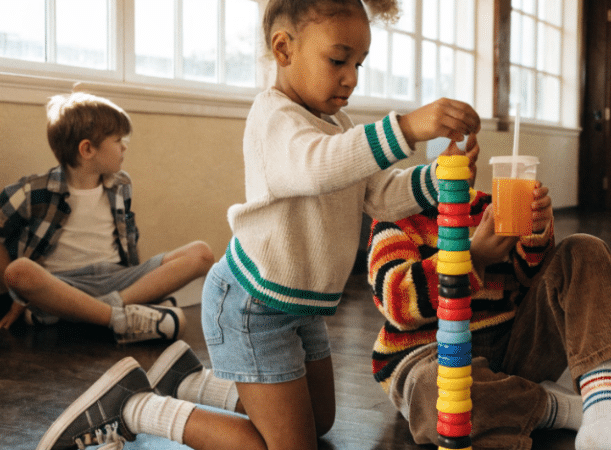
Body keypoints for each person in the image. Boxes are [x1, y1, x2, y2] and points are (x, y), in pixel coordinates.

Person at [37, 1, 482, 449]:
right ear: (284, 49)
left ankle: (189, 381)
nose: (351, 77)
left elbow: (380, 194)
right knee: (282, 446)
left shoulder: (337, 124)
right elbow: (317, 167)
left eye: (359, 64)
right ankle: (136, 408)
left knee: (320, 421)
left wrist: (440, 178)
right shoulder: (274, 118)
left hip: (298, 306)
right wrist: (404, 127)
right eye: (338, 60)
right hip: (252, 307)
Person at [367, 137, 611, 450]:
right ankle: (565, 409)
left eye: (470, 156)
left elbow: (531, 276)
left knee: (584, 249)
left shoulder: (492, 208)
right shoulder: (396, 217)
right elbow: (396, 301)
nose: (465, 166)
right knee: (441, 399)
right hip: (429, 358)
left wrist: (536, 228)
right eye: (451, 160)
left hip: (511, 348)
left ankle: (604, 412)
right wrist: (472, 257)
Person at [0, 91, 212, 344]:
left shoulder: (121, 185)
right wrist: (15, 294)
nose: (124, 146)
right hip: (63, 286)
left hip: (118, 280)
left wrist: (142, 284)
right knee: (18, 271)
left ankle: (93, 312)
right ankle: (119, 318)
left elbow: (129, 241)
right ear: (87, 149)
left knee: (201, 253)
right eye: (118, 140)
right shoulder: (33, 191)